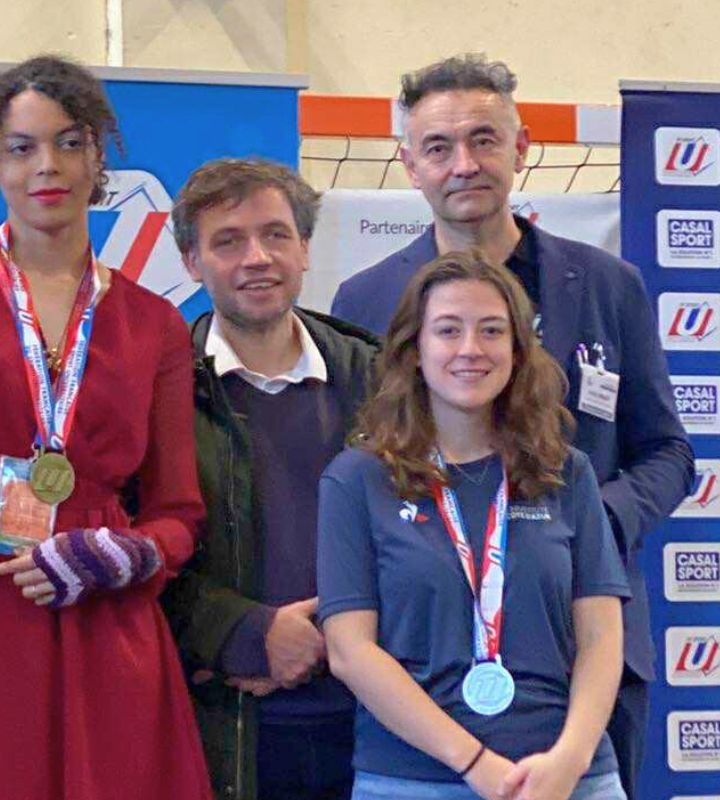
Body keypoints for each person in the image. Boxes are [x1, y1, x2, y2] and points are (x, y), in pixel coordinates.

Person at [329, 54, 693, 796]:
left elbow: (668, 452)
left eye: (484, 139)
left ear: (521, 148)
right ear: (410, 165)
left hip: (588, 658)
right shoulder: (364, 300)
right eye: (439, 147)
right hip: (427, 674)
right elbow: (367, 470)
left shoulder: (608, 285)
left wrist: (586, 522)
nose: (464, 164)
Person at [0, 55, 211, 800]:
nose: (47, 166)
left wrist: (126, 553)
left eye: (70, 142)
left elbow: (179, 513)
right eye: (22, 148)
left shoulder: (155, 323)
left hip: (103, 621)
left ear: (99, 158)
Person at [319, 250, 628, 800]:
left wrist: (571, 759)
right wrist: (474, 762)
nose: (470, 349)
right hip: (414, 779)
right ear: (414, 351)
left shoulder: (565, 471)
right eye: (448, 330)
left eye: (491, 330)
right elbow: (350, 652)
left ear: (518, 349)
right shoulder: (357, 479)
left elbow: (601, 635)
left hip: (568, 778)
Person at [161, 158, 378, 800]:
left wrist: (343, 634)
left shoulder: (381, 379)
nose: (257, 258)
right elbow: (137, 556)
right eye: (228, 241)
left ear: (305, 248)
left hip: (379, 723)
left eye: (275, 235)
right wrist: (247, 633)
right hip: (230, 730)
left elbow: (433, 535)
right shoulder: (158, 392)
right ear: (192, 262)